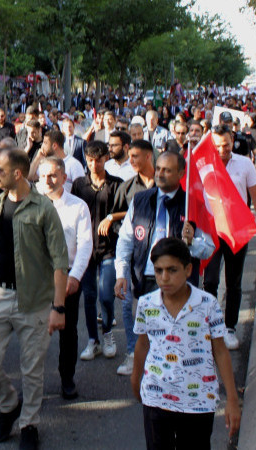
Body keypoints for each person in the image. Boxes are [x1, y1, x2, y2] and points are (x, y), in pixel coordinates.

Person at [0, 148, 68, 446]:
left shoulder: (43, 208)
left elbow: (60, 260)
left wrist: (58, 307)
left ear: (17, 173)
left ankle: (29, 424)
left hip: (36, 300)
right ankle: (8, 405)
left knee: (32, 368)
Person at [132, 237, 240, 449]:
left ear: (188, 269)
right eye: (159, 270)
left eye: (172, 270)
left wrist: (232, 399)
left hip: (198, 402)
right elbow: (142, 345)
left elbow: (220, 350)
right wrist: (136, 381)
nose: (164, 278)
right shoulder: (146, 304)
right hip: (157, 398)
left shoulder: (207, 304)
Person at [114, 152, 216, 375]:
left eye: (167, 170)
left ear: (181, 173)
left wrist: (191, 243)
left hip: (179, 283)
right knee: (144, 330)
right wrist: (121, 273)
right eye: (158, 168)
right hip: (144, 279)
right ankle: (139, 364)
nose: (160, 173)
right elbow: (126, 240)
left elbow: (209, 247)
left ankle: (177, 375)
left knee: (175, 333)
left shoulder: (193, 204)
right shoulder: (141, 201)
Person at [203, 125, 256, 350]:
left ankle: (230, 327)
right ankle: (210, 325)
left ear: (232, 139)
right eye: (217, 146)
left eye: (226, 145)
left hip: (236, 231)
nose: (222, 150)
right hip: (211, 232)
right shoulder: (203, 164)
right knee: (210, 280)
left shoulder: (244, 164)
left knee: (233, 281)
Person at [39, 157, 93, 401]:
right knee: (34, 331)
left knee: (68, 331)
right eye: (43, 176)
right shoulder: (32, 203)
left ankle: (67, 377)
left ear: (63, 177)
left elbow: (84, 246)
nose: (48, 180)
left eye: (53, 175)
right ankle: (33, 381)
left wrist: (75, 276)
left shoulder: (78, 206)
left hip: (68, 277)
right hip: (38, 279)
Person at [71, 141, 123, 363]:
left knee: (106, 296)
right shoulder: (79, 184)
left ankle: (108, 334)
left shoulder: (116, 183)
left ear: (106, 159)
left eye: (99, 160)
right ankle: (93, 340)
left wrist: (111, 217)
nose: (94, 164)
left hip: (109, 247)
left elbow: (126, 210)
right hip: (85, 248)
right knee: (89, 297)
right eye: (90, 160)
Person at [110, 139, 156, 374]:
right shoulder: (127, 188)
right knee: (128, 306)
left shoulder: (164, 184)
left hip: (156, 263)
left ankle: (157, 355)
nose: (131, 160)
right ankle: (132, 352)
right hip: (132, 258)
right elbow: (121, 225)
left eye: (136, 156)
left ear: (149, 157)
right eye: (130, 156)